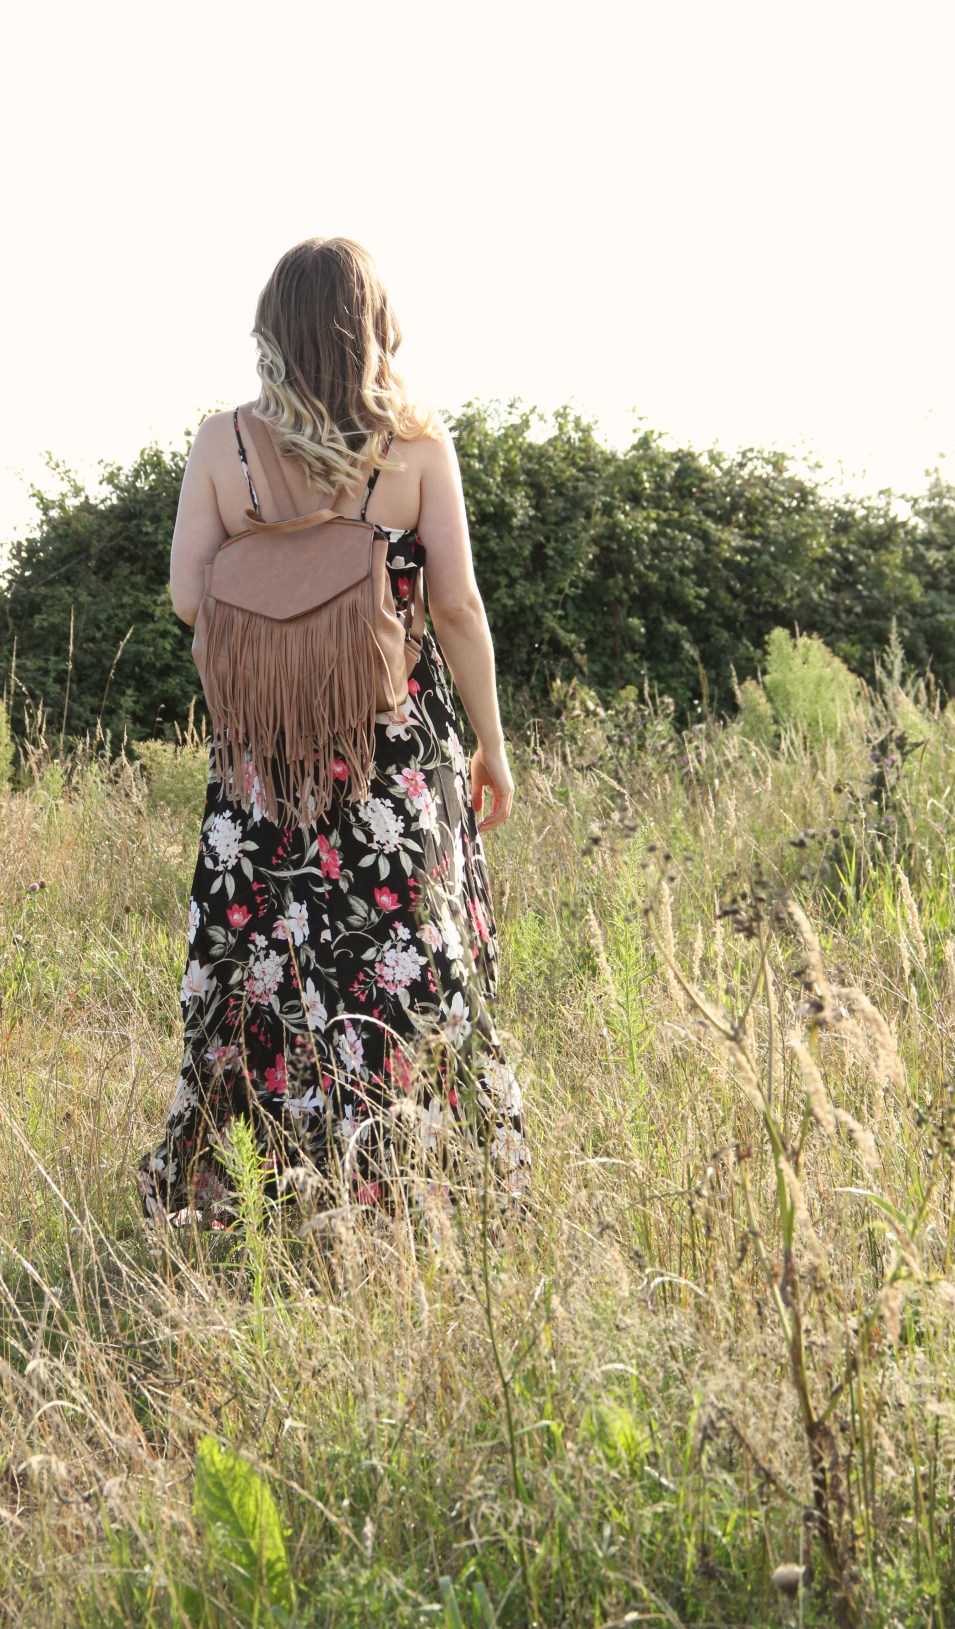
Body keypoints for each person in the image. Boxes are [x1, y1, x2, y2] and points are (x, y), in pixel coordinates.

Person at [137, 236, 530, 1232]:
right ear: (374, 327)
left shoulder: (222, 444)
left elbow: (189, 598)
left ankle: (258, 1193)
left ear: (274, 328)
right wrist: (492, 745)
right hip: (394, 763)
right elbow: (459, 611)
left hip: (265, 764)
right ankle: (411, 1193)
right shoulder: (417, 452)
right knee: (405, 960)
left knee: (262, 968)